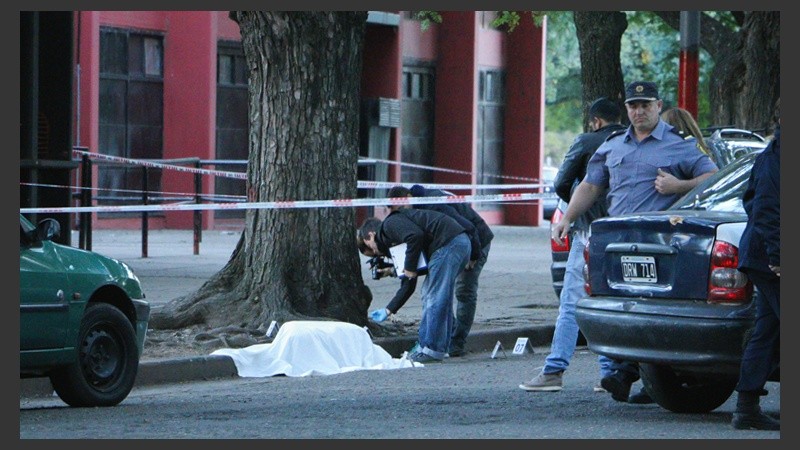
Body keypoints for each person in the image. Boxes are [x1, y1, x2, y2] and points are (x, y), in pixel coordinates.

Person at [551, 81, 719, 403]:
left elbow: (713, 177)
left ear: (658, 105)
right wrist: (567, 218)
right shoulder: (614, 145)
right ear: (626, 109)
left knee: (648, 309)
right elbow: (590, 185)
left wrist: (679, 185)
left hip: (659, 244)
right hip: (619, 242)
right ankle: (624, 371)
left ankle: (624, 373)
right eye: (633, 106)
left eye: (645, 105)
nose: (638, 111)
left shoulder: (677, 145)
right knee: (621, 308)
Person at [519, 97, 625, 393]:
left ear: (596, 121)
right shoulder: (630, 143)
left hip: (589, 230)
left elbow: (562, 182)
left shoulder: (587, 141)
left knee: (572, 302)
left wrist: (576, 210)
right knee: (607, 302)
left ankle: (554, 369)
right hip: (625, 231)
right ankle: (610, 372)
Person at [366, 185, 483, 357]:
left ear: (370, 235)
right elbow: (409, 283)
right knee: (433, 294)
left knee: (434, 296)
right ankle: (433, 346)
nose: (376, 254)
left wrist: (410, 269)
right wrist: (388, 309)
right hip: (456, 243)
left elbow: (415, 238)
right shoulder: (398, 233)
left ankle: (431, 349)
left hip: (450, 243)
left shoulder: (389, 225)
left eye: (370, 249)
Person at [730, 102, 780, 431]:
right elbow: (765, 208)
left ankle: (746, 407)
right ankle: (745, 407)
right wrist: (779, 255)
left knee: (768, 328)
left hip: (765, 253)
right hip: (771, 256)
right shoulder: (778, 156)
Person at [410, 184, 495, 356]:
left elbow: (469, 227)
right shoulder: (417, 206)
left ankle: (457, 342)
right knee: (442, 289)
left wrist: (474, 255)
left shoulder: (434, 203)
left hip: (477, 240)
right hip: (456, 241)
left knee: (464, 291)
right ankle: (448, 335)